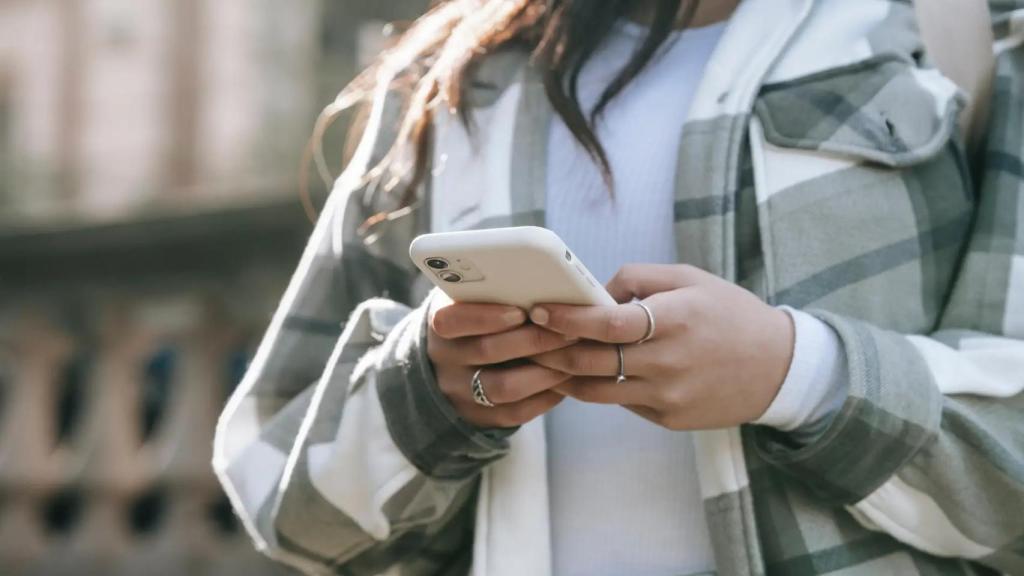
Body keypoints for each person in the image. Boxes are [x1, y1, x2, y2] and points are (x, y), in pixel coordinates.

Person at [213, 0, 1024, 574]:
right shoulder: (450, 83)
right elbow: (285, 507)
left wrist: (798, 374)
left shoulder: (967, 29)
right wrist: (430, 394)